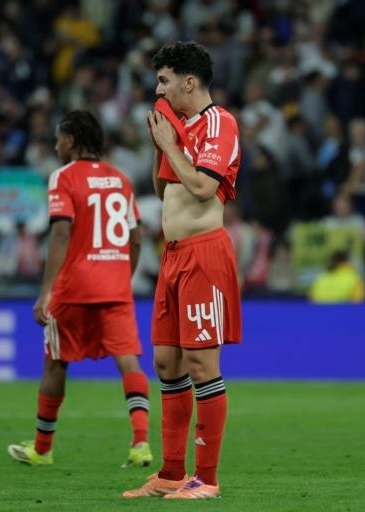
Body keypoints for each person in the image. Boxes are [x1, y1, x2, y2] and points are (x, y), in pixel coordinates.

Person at [122, 41, 242, 500]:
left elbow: (200, 187)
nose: (158, 89)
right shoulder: (181, 126)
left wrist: (171, 144)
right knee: (167, 363)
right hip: (172, 254)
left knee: (201, 364)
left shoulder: (220, 123)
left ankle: (206, 479)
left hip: (204, 255)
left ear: (188, 82)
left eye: (164, 80)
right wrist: (161, 144)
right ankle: (171, 473)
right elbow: (162, 186)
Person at [8, 110, 153, 469]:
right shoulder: (121, 179)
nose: (56, 146)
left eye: (58, 139)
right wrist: (124, 275)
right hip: (116, 286)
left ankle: (42, 449)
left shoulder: (64, 176)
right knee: (128, 359)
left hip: (74, 286)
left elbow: (60, 232)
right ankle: (141, 444)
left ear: (71, 141)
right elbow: (136, 237)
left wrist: (46, 292)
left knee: (56, 361)